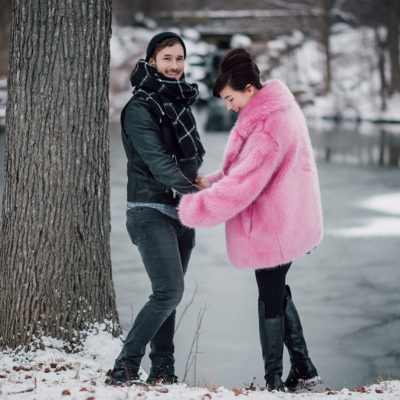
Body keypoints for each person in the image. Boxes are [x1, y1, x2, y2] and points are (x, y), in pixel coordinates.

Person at [178, 48, 323, 392]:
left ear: (249, 90)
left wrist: (192, 208)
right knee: (274, 292)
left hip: (276, 226)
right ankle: (303, 367)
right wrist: (209, 181)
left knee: (270, 296)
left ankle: (274, 382)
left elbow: (245, 184)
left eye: (230, 98)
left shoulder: (270, 125)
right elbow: (242, 169)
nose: (228, 107)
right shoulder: (274, 111)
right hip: (287, 219)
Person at [105, 32, 206, 386]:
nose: (175, 66)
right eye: (167, 59)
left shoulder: (178, 102)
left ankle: (163, 370)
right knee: (169, 292)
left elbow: (185, 157)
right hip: (149, 209)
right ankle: (125, 367)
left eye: (179, 59)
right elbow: (159, 162)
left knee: (168, 295)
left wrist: (199, 184)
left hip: (181, 211)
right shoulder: (140, 107)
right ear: (151, 62)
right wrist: (194, 189)